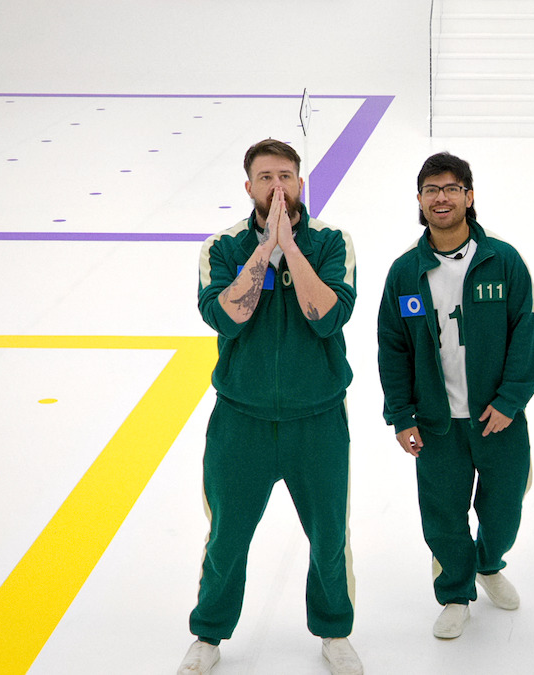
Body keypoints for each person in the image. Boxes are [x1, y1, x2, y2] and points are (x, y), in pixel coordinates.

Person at [178, 139, 363, 675]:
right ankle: (208, 634)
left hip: (318, 420)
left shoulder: (333, 243)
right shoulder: (222, 247)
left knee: (329, 534)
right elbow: (227, 319)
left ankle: (334, 630)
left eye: (286, 176)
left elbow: (327, 316)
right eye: (266, 178)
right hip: (242, 421)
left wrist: (292, 248)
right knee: (226, 536)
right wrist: (264, 251)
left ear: (301, 182)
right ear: (248, 187)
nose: (277, 187)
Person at [377, 152, 534, 639]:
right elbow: (392, 348)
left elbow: (528, 333)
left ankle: (489, 565)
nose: (442, 197)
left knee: (504, 507)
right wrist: (401, 415)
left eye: (451, 188)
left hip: (498, 418)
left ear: (469, 197)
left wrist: (510, 400)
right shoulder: (406, 272)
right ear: (420, 201)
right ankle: (454, 591)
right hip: (436, 422)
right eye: (432, 190)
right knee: (444, 513)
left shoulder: (504, 261)